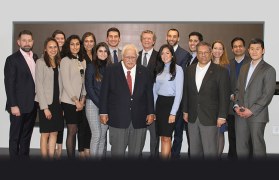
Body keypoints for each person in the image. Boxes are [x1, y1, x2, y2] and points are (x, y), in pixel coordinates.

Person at [99, 44, 154, 158]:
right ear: (122, 57)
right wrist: (103, 112)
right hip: (117, 119)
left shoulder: (144, 72)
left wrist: (150, 112)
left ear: (137, 58)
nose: (130, 60)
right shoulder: (111, 70)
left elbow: (149, 94)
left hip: (139, 119)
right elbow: (104, 93)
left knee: (136, 152)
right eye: (127, 57)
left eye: (133, 57)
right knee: (117, 153)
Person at [183, 41, 230, 159]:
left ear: (211, 54)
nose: (203, 55)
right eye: (200, 53)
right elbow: (186, 92)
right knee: (194, 151)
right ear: (197, 54)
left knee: (210, 151)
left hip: (211, 117)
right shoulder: (189, 70)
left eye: (206, 52)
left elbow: (224, 96)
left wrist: (222, 116)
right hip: (192, 117)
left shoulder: (221, 71)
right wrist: (185, 111)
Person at [234, 38, 276, 159]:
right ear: (248, 50)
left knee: (258, 147)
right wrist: (236, 106)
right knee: (241, 146)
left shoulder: (269, 70)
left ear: (263, 51)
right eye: (252, 49)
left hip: (257, 115)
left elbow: (267, 95)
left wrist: (251, 110)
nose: (254, 51)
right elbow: (238, 90)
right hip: (240, 114)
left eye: (257, 49)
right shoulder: (244, 68)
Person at [4, 30, 38, 159]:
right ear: (18, 42)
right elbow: (9, 84)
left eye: (29, 40)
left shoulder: (35, 58)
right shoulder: (12, 59)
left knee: (26, 137)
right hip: (18, 106)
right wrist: (13, 105)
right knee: (15, 137)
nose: (27, 43)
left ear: (33, 42)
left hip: (32, 105)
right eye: (24, 40)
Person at [35, 37, 64, 159]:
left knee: (54, 133)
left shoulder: (59, 62)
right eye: (50, 47)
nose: (53, 49)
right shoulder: (40, 62)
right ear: (45, 49)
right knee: (45, 134)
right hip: (45, 103)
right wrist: (45, 108)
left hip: (57, 104)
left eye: (55, 47)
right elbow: (39, 86)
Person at [153, 44, 184, 159]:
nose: (164, 55)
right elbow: (155, 92)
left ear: (172, 55)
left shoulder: (178, 69)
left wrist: (173, 113)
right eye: (162, 53)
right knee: (163, 137)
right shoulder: (158, 69)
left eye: (167, 53)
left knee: (166, 137)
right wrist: (154, 110)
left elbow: (179, 93)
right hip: (160, 105)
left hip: (171, 105)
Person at [166, 28, 192, 159]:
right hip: (165, 100)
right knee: (166, 132)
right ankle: (166, 154)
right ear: (166, 37)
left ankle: (175, 156)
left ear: (178, 38)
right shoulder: (163, 52)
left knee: (178, 132)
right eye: (169, 36)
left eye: (174, 36)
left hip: (180, 100)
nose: (171, 38)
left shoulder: (185, 54)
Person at [60, 35, 86, 158]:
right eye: (72, 44)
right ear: (68, 46)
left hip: (80, 102)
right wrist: (76, 100)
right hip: (69, 101)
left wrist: (83, 99)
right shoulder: (65, 60)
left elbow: (84, 81)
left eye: (77, 44)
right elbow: (66, 82)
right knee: (72, 131)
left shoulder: (82, 60)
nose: (75, 46)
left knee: (76, 130)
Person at [85, 42, 112, 159]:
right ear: (96, 53)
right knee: (96, 134)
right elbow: (89, 88)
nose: (103, 53)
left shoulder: (111, 68)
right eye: (100, 51)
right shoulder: (91, 66)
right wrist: (101, 105)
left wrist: (106, 106)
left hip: (106, 106)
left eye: (105, 51)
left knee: (102, 136)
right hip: (92, 103)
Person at [228, 37, 251, 160]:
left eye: (240, 46)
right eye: (235, 46)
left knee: (247, 137)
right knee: (232, 136)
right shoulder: (229, 64)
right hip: (232, 106)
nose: (238, 48)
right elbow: (225, 84)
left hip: (247, 106)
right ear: (232, 49)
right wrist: (231, 96)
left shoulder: (251, 62)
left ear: (245, 48)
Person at [137, 30, 159, 158]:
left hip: (154, 100)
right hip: (138, 102)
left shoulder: (160, 56)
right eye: (144, 38)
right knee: (138, 133)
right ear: (141, 40)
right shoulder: (136, 56)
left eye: (149, 38)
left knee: (154, 134)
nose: (147, 40)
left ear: (154, 41)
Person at [77, 32, 96, 159]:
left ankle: (88, 149)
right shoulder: (79, 56)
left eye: (91, 41)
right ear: (83, 43)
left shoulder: (97, 55)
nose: (89, 43)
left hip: (94, 95)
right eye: (86, 41)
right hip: (81, 95)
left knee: (91, 125)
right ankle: (81, 151)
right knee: (82, 125)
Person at [211, 40, 230, 159]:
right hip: (208, 106)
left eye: (220, 48)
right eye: (215, 48)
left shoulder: (227, 67)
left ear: (223, 51)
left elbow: (228, 88)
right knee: (209, 133)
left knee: (220, 132)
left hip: (221, 104)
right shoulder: (206, 65)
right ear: (211, 50)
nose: (217, 51)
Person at [52, 29, 66, 158]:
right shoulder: (49, 54)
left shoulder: (67, 54)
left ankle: (59, 149)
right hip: (52, 94)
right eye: (58, 38)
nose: (60, 40)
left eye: (62, 38)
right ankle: (53, 149)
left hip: (65, 93)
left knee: (61, 123)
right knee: (53, 124)